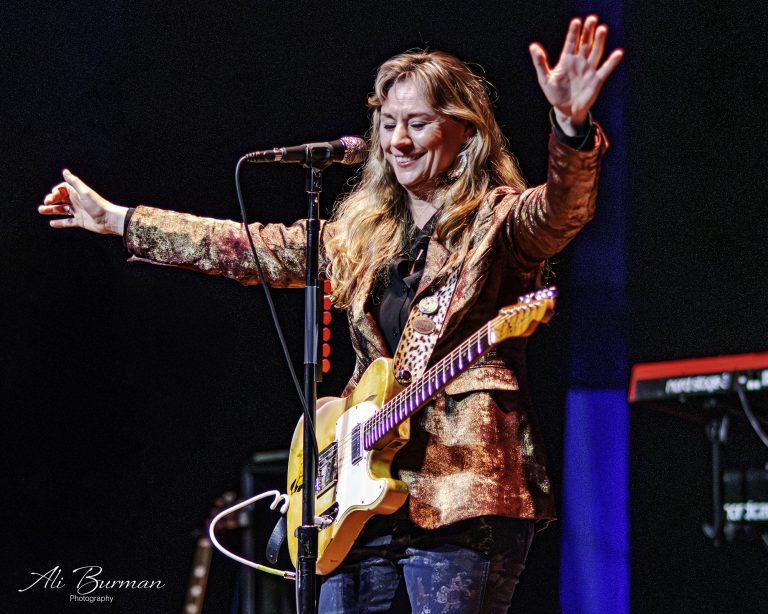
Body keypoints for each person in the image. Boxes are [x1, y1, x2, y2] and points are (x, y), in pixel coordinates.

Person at [40, 16, 622, 614]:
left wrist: (570, 128)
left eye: (418, 123)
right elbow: (249, 248)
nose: (398, 139)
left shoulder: (498, 222)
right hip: (356, 492)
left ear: (465, 133)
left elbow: (561, 211)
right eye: (388, 123)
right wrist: (119, 219)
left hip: (460, 490)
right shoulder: (361, 234)